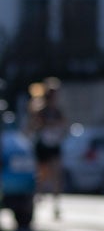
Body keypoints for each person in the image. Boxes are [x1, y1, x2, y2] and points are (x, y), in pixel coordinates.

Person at [27, 78, 68, 219]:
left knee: (56, 174)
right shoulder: (40, 107)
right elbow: (34, 123)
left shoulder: (57, 110)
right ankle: (36, 199)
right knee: (41, 175)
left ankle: (56, 205)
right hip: (42, 144)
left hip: (54, 144)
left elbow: (63, 124)